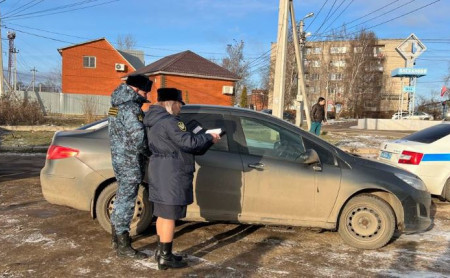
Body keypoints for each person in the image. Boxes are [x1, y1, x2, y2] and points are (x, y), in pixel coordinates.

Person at [144, 88, 220, 270]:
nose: (180, 108)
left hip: (160, 170)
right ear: (172, 103)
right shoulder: (170, 122)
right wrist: (209, 136)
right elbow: (189, 143)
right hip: (172, 173)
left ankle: (161, 252)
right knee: (169, 215)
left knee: (162, 214)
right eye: (179, 104)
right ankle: (166, 257)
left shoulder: (153, 120)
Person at [108, 74, 153, 259]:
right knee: (126, 203)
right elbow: (138, 138)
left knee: (120, 201)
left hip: (120, 159)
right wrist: (150, 153)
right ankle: (124, 247)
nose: (146, 94)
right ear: (136, 89)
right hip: (130, 162)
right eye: (145, 91)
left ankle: (115, 240)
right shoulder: (131, 108)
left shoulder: (116, 106)